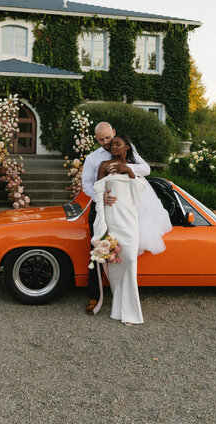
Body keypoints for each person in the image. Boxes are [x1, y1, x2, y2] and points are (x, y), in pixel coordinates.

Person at [82, 122, 150, 314]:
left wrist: (125, 168)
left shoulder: (127, 150)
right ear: (96, 139)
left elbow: (145, 169)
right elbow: (86, 184)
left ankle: (123, 296)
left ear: (113, 133)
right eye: (101, 140)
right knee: (96, 250)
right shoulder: (93, 158)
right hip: (101, 207)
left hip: (125, 209)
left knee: (125, 252)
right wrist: (100, 197)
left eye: (108, 138)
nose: (106, 143)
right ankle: (95, 297)